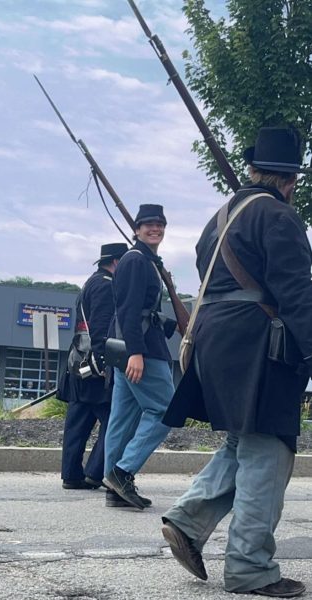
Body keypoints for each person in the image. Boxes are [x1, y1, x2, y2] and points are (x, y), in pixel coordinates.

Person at [161, 127, 312, 597]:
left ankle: (188, 521)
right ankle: (249, 566)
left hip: (217, 339)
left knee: (244, 442)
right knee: (269, 449)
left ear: (254, 168)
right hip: (258, 344)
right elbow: (297, 293)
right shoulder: (279, 216)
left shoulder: (222, 215)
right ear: (290, 180)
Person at [103, 204, 177, 510]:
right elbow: (129, 310)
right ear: (136, 229)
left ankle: (113, 487)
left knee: (122, 419)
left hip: (134, 348)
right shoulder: (137, 261)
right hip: (141, 350)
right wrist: (136, 352)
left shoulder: (143, 260)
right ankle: (122, 472)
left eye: (159, 224)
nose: (154, 229)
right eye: (148, 224)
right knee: (167, 410)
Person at [61, 242, 128, 490]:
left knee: (78, 421)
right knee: (113, 421)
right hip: (96, 365)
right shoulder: (105, 286)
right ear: (116, 263)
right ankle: (95, 472)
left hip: (79, 361)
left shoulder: (92, 282)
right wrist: (106, 364)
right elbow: (101, 328)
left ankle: (71, 474)